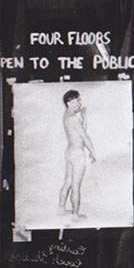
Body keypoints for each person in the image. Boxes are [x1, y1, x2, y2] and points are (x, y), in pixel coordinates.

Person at [58, 90, 96, 220]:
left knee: (68, 182)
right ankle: (75, 215)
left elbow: (80, 132)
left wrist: (84, 118)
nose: (80, 103)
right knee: (75, 185)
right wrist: (93, 152)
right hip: (77, 154)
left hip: (69, 152)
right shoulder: (73, 118)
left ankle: (61, 209)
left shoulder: (67, 115)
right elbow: (85, 137)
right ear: (69, 102)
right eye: (77, 100)